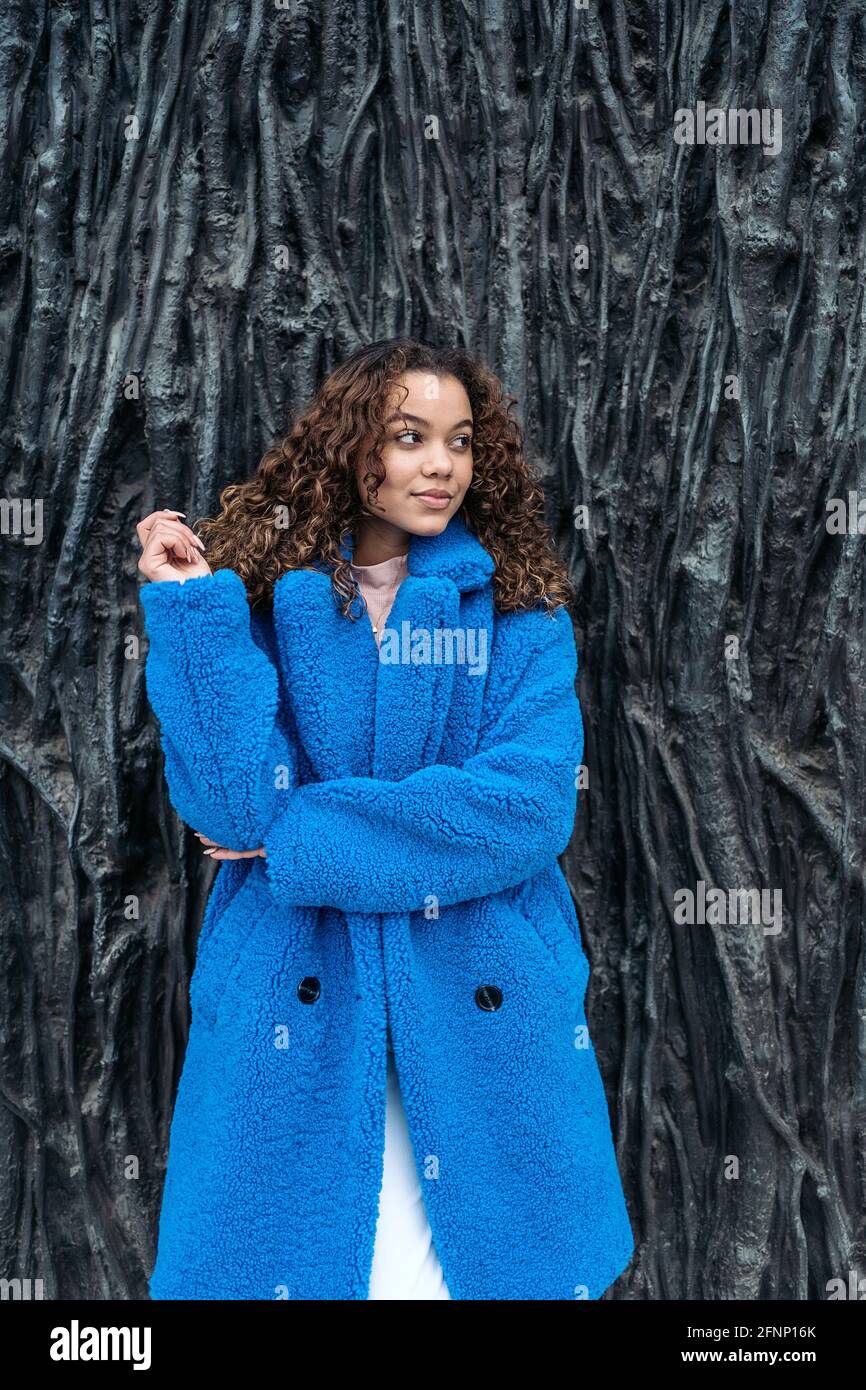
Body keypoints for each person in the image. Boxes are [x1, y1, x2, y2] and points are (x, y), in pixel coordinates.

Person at [137, 337, 635, 1300]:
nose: (441, 464)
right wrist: (194, 609)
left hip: (480, 1008)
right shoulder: (263, 607)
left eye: (459, 439)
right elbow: (235, 805)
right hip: (300, 1001)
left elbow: (521, 811)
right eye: (409, 437)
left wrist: (303, 837)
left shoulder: (518, 612)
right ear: (351, 445)